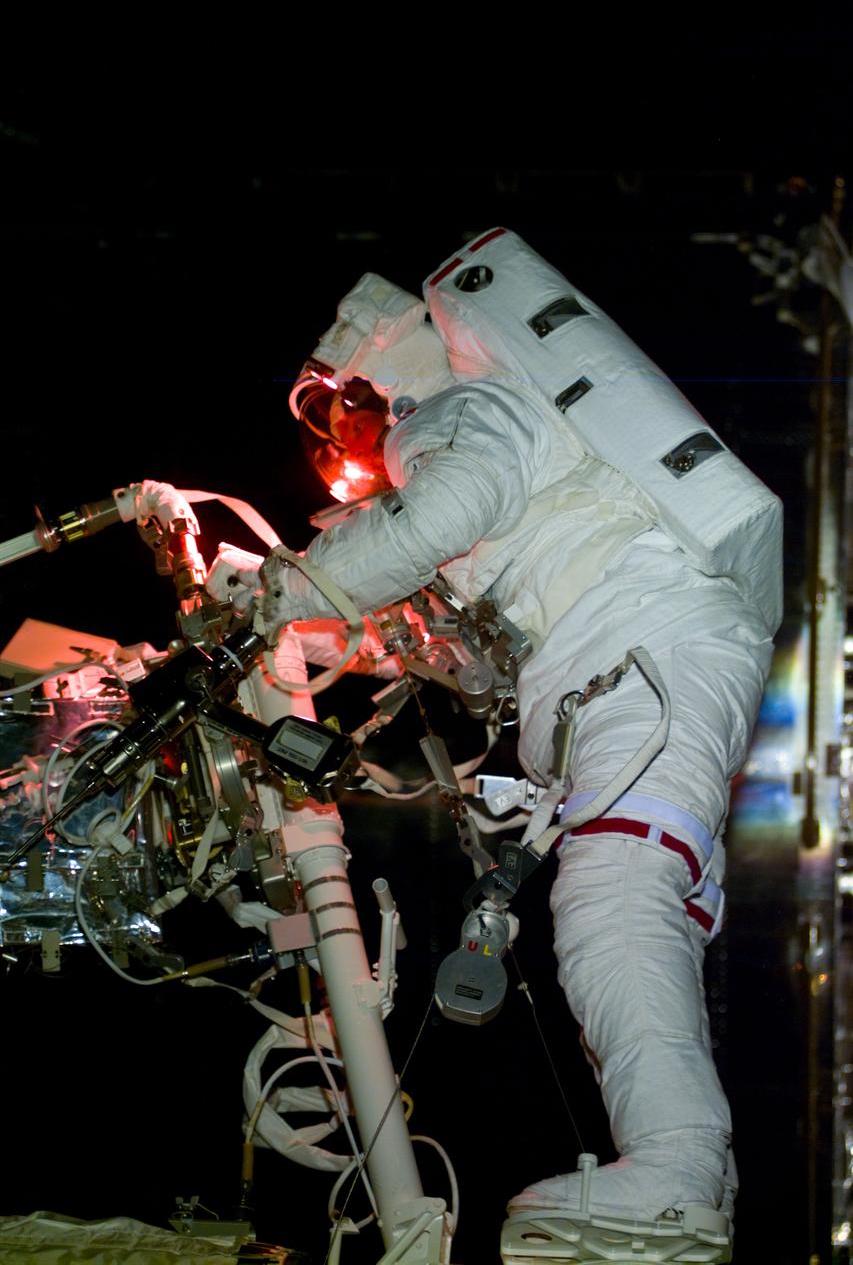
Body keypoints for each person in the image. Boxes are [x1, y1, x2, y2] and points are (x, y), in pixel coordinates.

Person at [208, 228, 782, 1237]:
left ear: (364, 384)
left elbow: (447, 509)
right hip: (638, 662)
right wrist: (348, 621)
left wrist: (277, 595)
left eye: (333, 425)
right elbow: (463, 633)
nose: (343, 457)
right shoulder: (495, 449)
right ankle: (680, 1179)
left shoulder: (458, 409)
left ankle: (681, 1175)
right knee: (618, 908)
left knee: (618, 894)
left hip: (649, 650)